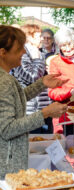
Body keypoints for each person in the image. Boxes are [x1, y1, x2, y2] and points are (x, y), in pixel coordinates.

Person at [0, 25, 68, 178]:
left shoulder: (5, 78)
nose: (24, 53)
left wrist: (42, 83)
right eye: (19, 49)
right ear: (3, 53)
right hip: (6, 166)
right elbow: (7, 129)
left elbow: (16, 99)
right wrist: (45, 113)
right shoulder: (3, 81)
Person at [11, 24, 53, 133]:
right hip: (30, 111)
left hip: (43, 107)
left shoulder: (40, 53)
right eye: (39, 36)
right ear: (28, 38)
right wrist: (37, 60)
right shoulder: (22, 55)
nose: (42, 39)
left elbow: (42, 79)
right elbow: (32, 78)